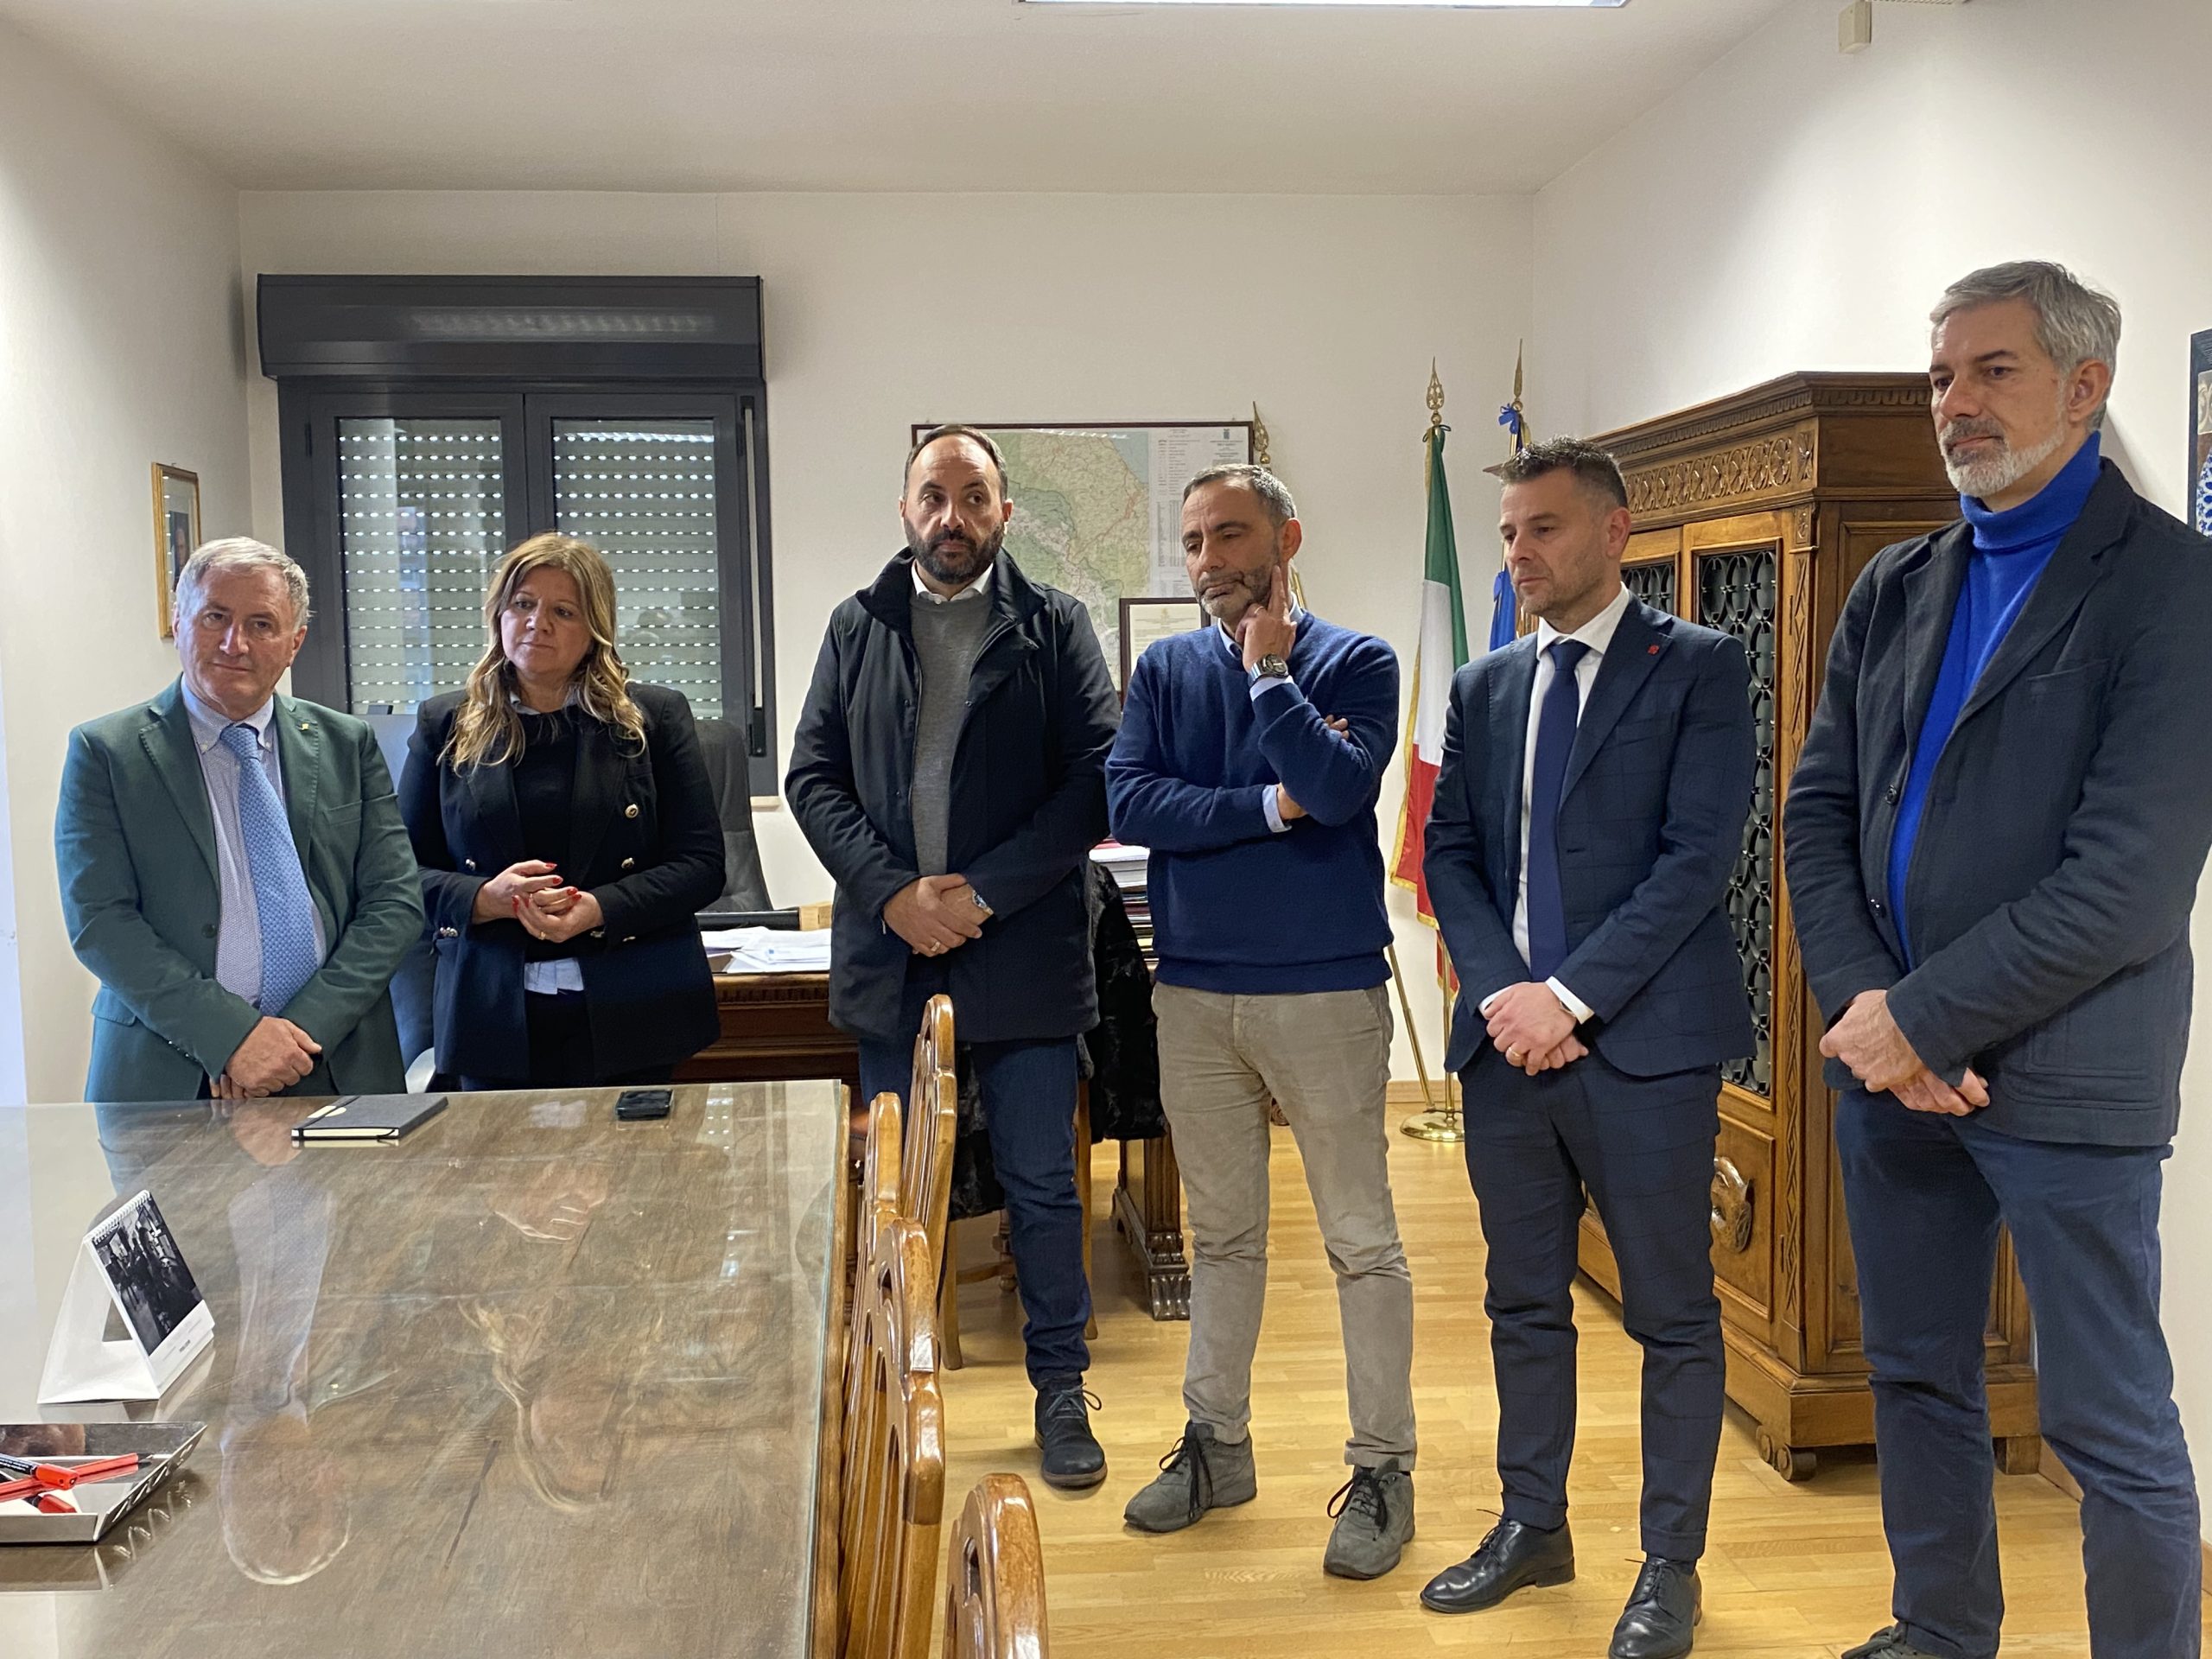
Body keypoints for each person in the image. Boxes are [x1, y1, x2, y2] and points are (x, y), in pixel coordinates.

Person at [1786, 262, 2212, 1659]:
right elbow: (1818, 811)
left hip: (2071, 1075)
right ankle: (1940, 1631)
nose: (1954, 402)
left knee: (2106, 1422)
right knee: (1915, 1377)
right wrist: (1869, 1007)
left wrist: (1923, 1018)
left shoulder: (2175, 588)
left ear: (2086, 386)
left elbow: (2128, 883)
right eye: (1940, 376)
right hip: (1891, 1074)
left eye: (1992, 370)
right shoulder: (1897, 583)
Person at [1417, 439, 1755, 1659]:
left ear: (1615, 532)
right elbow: (1448, 853)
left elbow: (1696, 861)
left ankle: (1669, 1566)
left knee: (1671, 1313)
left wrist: (1568, 998)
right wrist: (1508, 996)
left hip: (1644, 1049)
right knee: (1522, 1300)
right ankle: (1533, 1525)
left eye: (1543, 529)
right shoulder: (1485, 684)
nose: (1519, 553)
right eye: (1509, 532)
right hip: (1505, 1050)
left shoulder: (1699, 666)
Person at [785, 424, 1120, 1491]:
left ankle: (1060, 1390)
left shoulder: (1054, 626)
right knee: (896, 1191)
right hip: (894, 955)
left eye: (973, 496)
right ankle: (892, 1386)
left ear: (1004, 513)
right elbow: (812, 777)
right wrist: (892, 893)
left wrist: (980, 896)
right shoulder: (857, 624)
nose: (952, 516)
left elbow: (1096, 780)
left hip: (1019, 951)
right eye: (934, 495)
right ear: (905, 509)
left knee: (1042, 1186)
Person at [1105, 463, 1414, 1580]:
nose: (1207, 561)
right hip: (1193, 991)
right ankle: (1216, 1445)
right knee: (1222, 1239)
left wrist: (1272, 678)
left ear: (1286, 538)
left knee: (1360, 1242)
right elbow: (1131, 802)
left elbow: (1335, 790)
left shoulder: (1357, 661)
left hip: (1324, 990)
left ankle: (1383, 1469)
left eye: (1229, 535)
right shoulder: (1164, 671)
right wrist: (1264, 809)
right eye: (1192, 541)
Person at [56, 538, 421, 1102]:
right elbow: (101, 923)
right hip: (171, 1073)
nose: (235, 643)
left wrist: (294, 1035)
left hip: (334, 1061)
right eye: (215, 617)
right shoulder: (106, 753)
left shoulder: (347, 744)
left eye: (261, 624)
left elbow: (394, 904)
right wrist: (231, 1037)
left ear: (295, 642)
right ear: (179, 623)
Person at [398, 533, 724, 1090]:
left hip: (634, 1006)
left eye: (563, 611)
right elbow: (399, 875)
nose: (537, 624)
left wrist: (598, 908)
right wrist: (483, 898)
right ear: (499, 615)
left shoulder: (654, 718)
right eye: (523, 604)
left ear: (595, 627)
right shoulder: (444, 724)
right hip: (491, 1012)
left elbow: (701, 865)